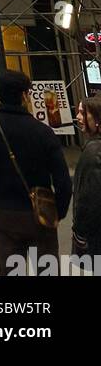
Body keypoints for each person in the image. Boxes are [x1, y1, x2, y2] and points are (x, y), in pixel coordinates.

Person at [0, 68, 72, 276]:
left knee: (11, 272)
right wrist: (58, 212)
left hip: (6, 212)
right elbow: (63, 181)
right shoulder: (43, 132)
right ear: (24, 95)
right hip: (41, 213)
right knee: (46, 270)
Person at [71, 96, 101, 259]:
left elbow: (90, 197)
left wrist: (79, 233)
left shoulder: (93, 151)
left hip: (95, 234)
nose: (78, 117)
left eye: (83, 113)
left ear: (97, 118)